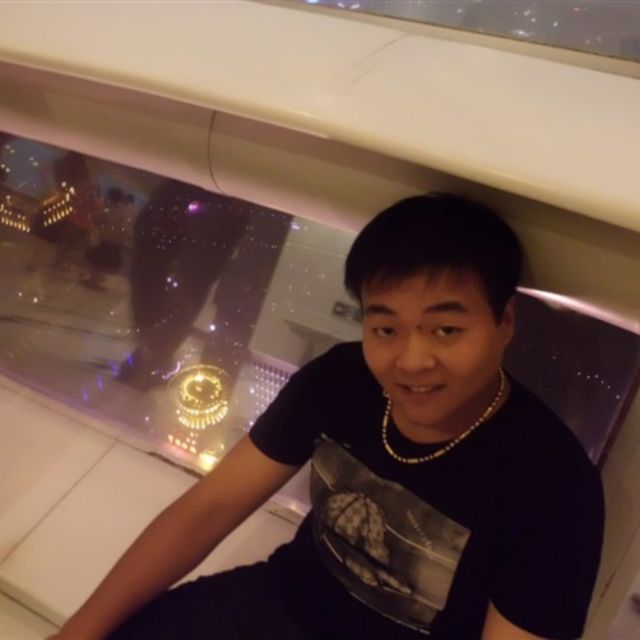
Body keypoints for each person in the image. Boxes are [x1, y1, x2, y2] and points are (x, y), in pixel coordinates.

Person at [50, 193, 604, 640]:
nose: (412, 360)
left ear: (505, 322)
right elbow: (209, 508)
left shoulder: (555, 485)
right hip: (275, 606)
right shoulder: (342, 379)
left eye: (446, 329)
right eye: (385, 328)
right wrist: (79, 632)